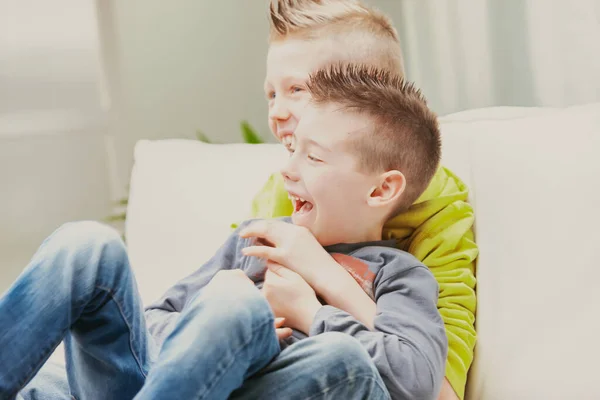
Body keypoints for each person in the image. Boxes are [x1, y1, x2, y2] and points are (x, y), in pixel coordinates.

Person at [2, 64, 447, 399]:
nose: (287, 171)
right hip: (166, 383)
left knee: (335, 354)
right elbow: (154, 320)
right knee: (87, 246)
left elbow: (415, 378)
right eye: (292, 151)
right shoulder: (259, 239)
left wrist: (309, 313)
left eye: (314, 158)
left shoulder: (397, 274)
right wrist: (223, 333)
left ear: (382, 189)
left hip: (279, 386)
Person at [249, 1, 478, 399]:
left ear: (368, 96)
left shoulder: (438, 208)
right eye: (271, 94)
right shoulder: (280, 190)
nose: (277, 113)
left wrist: (321, 274)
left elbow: (437, 389)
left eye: (297, 89)